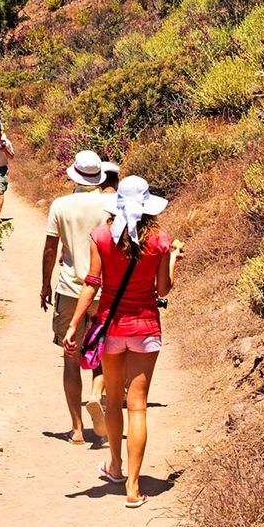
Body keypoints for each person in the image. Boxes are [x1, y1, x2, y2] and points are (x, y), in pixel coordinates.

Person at [63, 176, 184, 508]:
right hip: (145, 327)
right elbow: (162, 291)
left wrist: (74, 325)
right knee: (138, 406)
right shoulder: (160, 241)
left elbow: (91, 283)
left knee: (113, 401)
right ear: (147, 207)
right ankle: (133, 486)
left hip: (111, 328)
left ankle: (114, 466)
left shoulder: (101, 237)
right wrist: (172, 259)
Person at [41, 151, 118, 443]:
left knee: (70, 358)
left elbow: (51, 249)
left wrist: (45, 284)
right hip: (104, 290)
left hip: (71, 289)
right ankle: (97, 397)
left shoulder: (61, 206)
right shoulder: (111, 204)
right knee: (105, 356)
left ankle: (76, 429)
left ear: (74, 174)